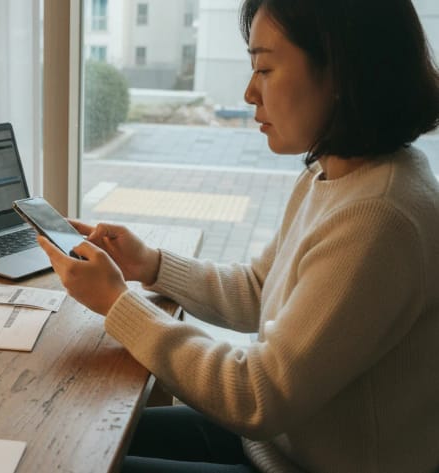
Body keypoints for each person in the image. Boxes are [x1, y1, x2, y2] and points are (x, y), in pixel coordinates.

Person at [37, 1, 439, 472]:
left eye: (264, 68)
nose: (250, 92)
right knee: (72, 433)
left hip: (297, 460)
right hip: (280, 447)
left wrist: (117, 303)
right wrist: (150, 265)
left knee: (69, 459)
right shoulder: (334, 174)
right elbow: (260, 289)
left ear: (342, 72)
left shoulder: (379, 217)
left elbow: (257, 396)